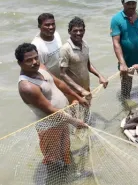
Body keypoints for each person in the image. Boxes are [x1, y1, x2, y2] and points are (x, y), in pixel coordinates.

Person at [16, 43, 90, 179]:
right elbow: (50, 109)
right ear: (20, 63)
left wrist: (78, 97)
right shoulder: (27, 86)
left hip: (62, 119)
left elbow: (60, 83)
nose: (34, 62)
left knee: (65, 149)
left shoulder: (41, 68)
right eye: (28, 60)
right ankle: (54, 179)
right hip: (49, 127)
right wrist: (74, 121)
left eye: (35, 58)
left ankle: (69, 175)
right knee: (53, 159)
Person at [60, 17, 108, 98]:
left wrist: (100, 76)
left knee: (86, 108)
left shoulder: (85, 44)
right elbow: (62, 74)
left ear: (84, 31)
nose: (78, 33)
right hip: (72, 92)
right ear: (69, 31)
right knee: (73, 110)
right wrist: (80, 90)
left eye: (81, 30)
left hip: (85, 89)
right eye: (75, 31)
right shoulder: (65, 49)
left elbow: (88, 65)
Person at [31, 13, 62, 78]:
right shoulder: (36, 46)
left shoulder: (56, 34)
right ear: (39, 26)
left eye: (53, 24)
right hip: (49, 79)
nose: (51, 27)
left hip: (61, 75)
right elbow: (40, 70)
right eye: (47, 25)